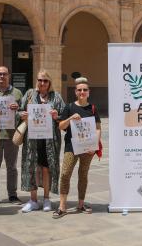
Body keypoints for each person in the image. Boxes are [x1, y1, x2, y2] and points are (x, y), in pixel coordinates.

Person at [53, 77, 102, 219]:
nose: (82, 92)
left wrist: (95, 144)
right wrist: (70, 119)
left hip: (88, 148)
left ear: (88, 92)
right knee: (65, 174)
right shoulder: (69, 107)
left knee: (83, 175)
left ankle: (81, 204)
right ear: (75, 92)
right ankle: (62, 206)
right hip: (71, 146)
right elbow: (61, 126)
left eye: (85, 90)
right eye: (79, 90)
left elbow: (98, 128)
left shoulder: (92, 108)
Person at [18, 70, 66, 213]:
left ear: (49, 82)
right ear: (36, 81)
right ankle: (33, 200)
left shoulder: (56, 97)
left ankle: (46, 199)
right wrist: (22, 115)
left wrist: (57, 116)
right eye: (40, 80)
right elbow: (19, 111)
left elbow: (64, 115)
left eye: (45, 80)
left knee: (46, 168)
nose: (42, 83)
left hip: (50, 140)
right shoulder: (30, 94)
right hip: (32, 139)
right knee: (31, 167)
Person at [0, 66, 23, 205]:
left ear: (9, 76)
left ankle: (12, 194)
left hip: (11, 135)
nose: (2, 76)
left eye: (4, 74)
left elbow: (24, 113)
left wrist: (17, 109)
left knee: (11, 166)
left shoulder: (17, 93)